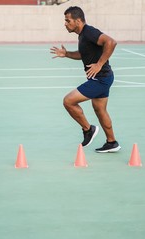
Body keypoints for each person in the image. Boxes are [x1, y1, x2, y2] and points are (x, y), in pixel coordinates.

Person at [50, 6, 121, 153]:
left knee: (68, 101)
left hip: (100, 79)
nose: (65, 23)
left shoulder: (89, 32)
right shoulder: (83, 35)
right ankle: (112, 142)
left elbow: (111, 42)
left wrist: (99, 64)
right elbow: (84, 54)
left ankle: (88, 130)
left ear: (77, 21)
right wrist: (67, 54)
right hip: (103, 78)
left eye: (67, 20)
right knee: (100, 110)